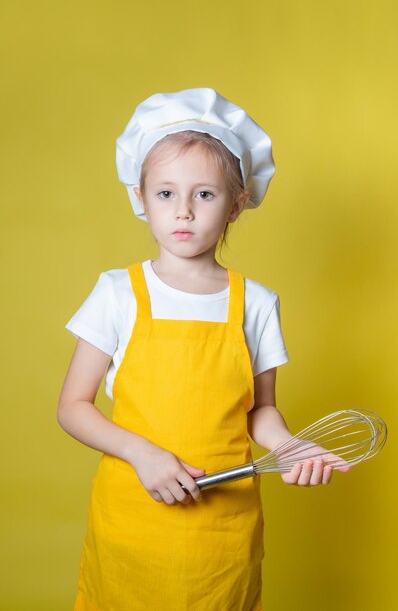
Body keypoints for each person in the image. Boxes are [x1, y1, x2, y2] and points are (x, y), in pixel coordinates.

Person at [58, 88, 348, 611]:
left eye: (205, 195)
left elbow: (260, 412)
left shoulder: (254, 303)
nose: (184, 211)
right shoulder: (117, 293)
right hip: (132, 522)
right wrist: (142, 453)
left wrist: (288, 446)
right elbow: (73, 408)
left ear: (237, 205)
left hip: (222, 535)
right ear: (140, 199)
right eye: (166, 194)